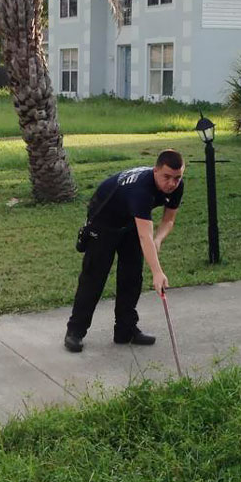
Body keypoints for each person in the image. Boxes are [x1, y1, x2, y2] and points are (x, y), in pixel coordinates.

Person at [64, 150, 185, 353]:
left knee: (131, 276)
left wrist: (159, 238)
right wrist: (157, 272)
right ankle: (75, 332)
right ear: (156, 170)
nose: (171, 184)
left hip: (129, 222)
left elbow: (168, 220)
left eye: (177, 178)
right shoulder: (141, 190)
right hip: (103, 222)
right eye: (166, 177)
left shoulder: (176, 187)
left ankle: (125, 330)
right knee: (93, 278)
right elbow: (144, 236)